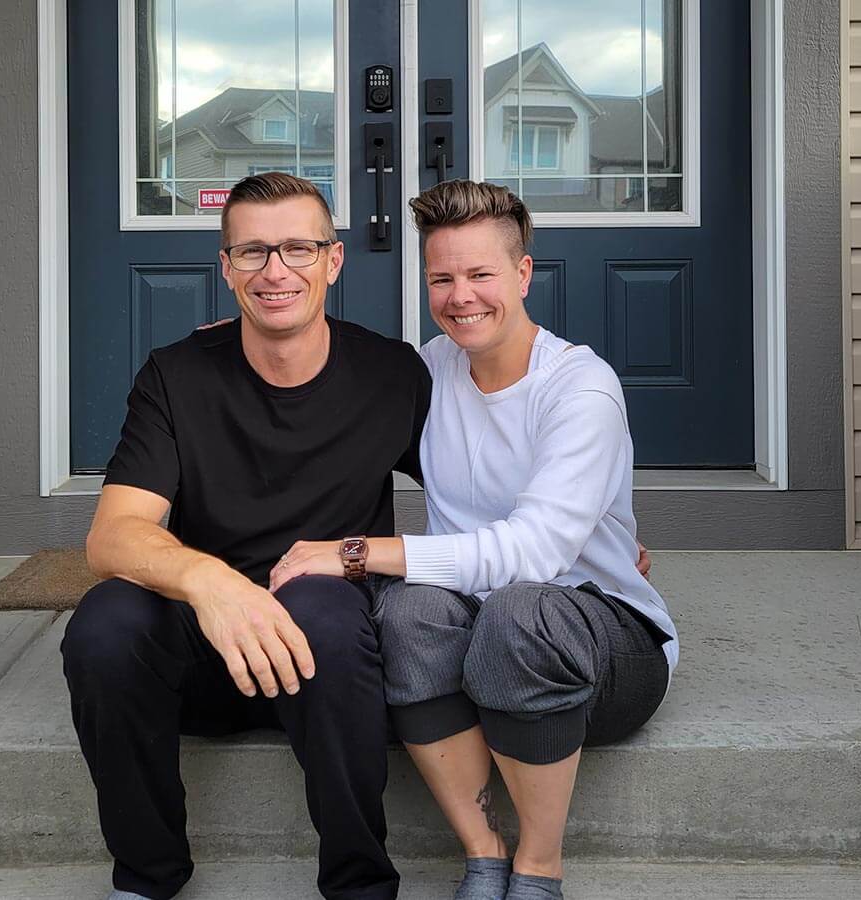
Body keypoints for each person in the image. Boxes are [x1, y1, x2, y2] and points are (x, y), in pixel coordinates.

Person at [270, 180, 679, 900]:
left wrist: (358, 552)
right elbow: (324, 384)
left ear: (522, 274)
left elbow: (534, 554)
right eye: (442, 277)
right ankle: (483, 851)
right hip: (473, 634)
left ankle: (539, 864)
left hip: (604, 645)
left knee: (521, 609)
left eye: (481, 274)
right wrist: (234, 348)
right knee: (408, 612)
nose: (462, 296)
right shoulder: (428, 372)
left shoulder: (580, 388)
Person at [60, 172, 430, 900]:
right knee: (105, 625)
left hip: (328, 660)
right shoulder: (177, 375)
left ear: (333, 260)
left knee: (325, 604)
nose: (277, 271)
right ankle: (145, 877)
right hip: (207, 646)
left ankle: (360, 885)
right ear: (226, 268)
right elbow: (113, 536)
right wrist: (211, 583)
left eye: (298, 248)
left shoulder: (391, 374)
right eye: (254, 252)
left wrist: (596, 535)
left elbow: (485, 483)